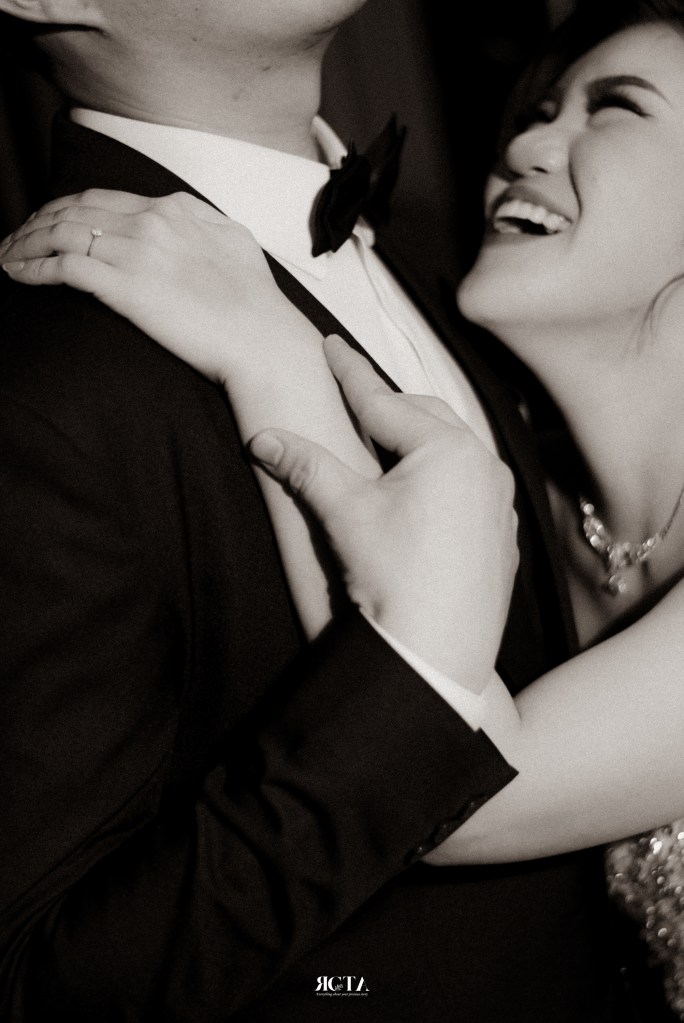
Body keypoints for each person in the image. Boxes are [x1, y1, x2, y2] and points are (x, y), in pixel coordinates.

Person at [5, 0, 684, 1019]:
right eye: (540, 109)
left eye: (617, 108)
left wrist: (272, 353)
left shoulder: (417, 299)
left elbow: (457, 774)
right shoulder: (54, 385)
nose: (527, 143)